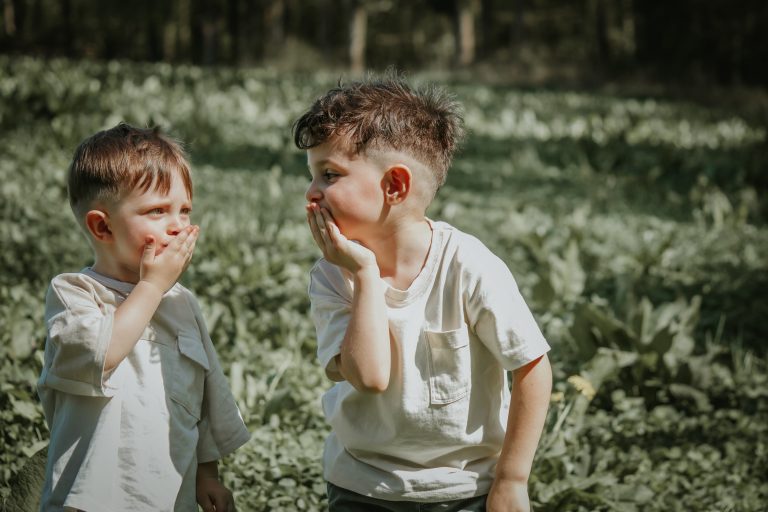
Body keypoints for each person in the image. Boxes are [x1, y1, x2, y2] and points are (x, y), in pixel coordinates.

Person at [294, 75, 553, 512]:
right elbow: (370, 377)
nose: (312, 192)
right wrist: (365, 273)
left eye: (330, 174)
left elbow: (532, 366)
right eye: (313, 174)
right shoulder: (335, 276)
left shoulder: (469, 265)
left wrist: (511, 479)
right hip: (363, 486)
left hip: (464, 490)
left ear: (395, 186)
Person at [37, 123, 250, 512]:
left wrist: (208, 475)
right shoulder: (75, 294)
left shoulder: (182, 303)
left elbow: (201, 398)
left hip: (168, 497)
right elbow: (99, 355)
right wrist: (150, 287)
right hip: (87, 500)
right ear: (102, 226)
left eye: (184, 210)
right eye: (156, 211)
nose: (177, 225)